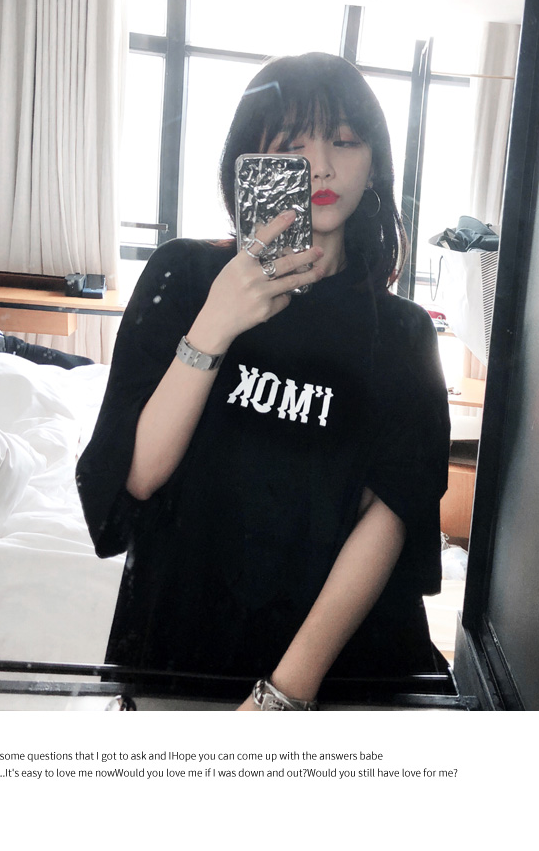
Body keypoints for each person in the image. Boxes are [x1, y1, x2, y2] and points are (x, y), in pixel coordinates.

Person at [76, 52, 451, 711]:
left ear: (374, 163)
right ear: (249, 161)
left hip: (343, 667)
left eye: (345, 141)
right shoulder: (184, 276)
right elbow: (136, 476)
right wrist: (215, 324)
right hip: (183, 647)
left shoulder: (403, 333)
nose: (321, 166)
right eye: (291, 147)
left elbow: (393, 512)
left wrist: (283, 694)